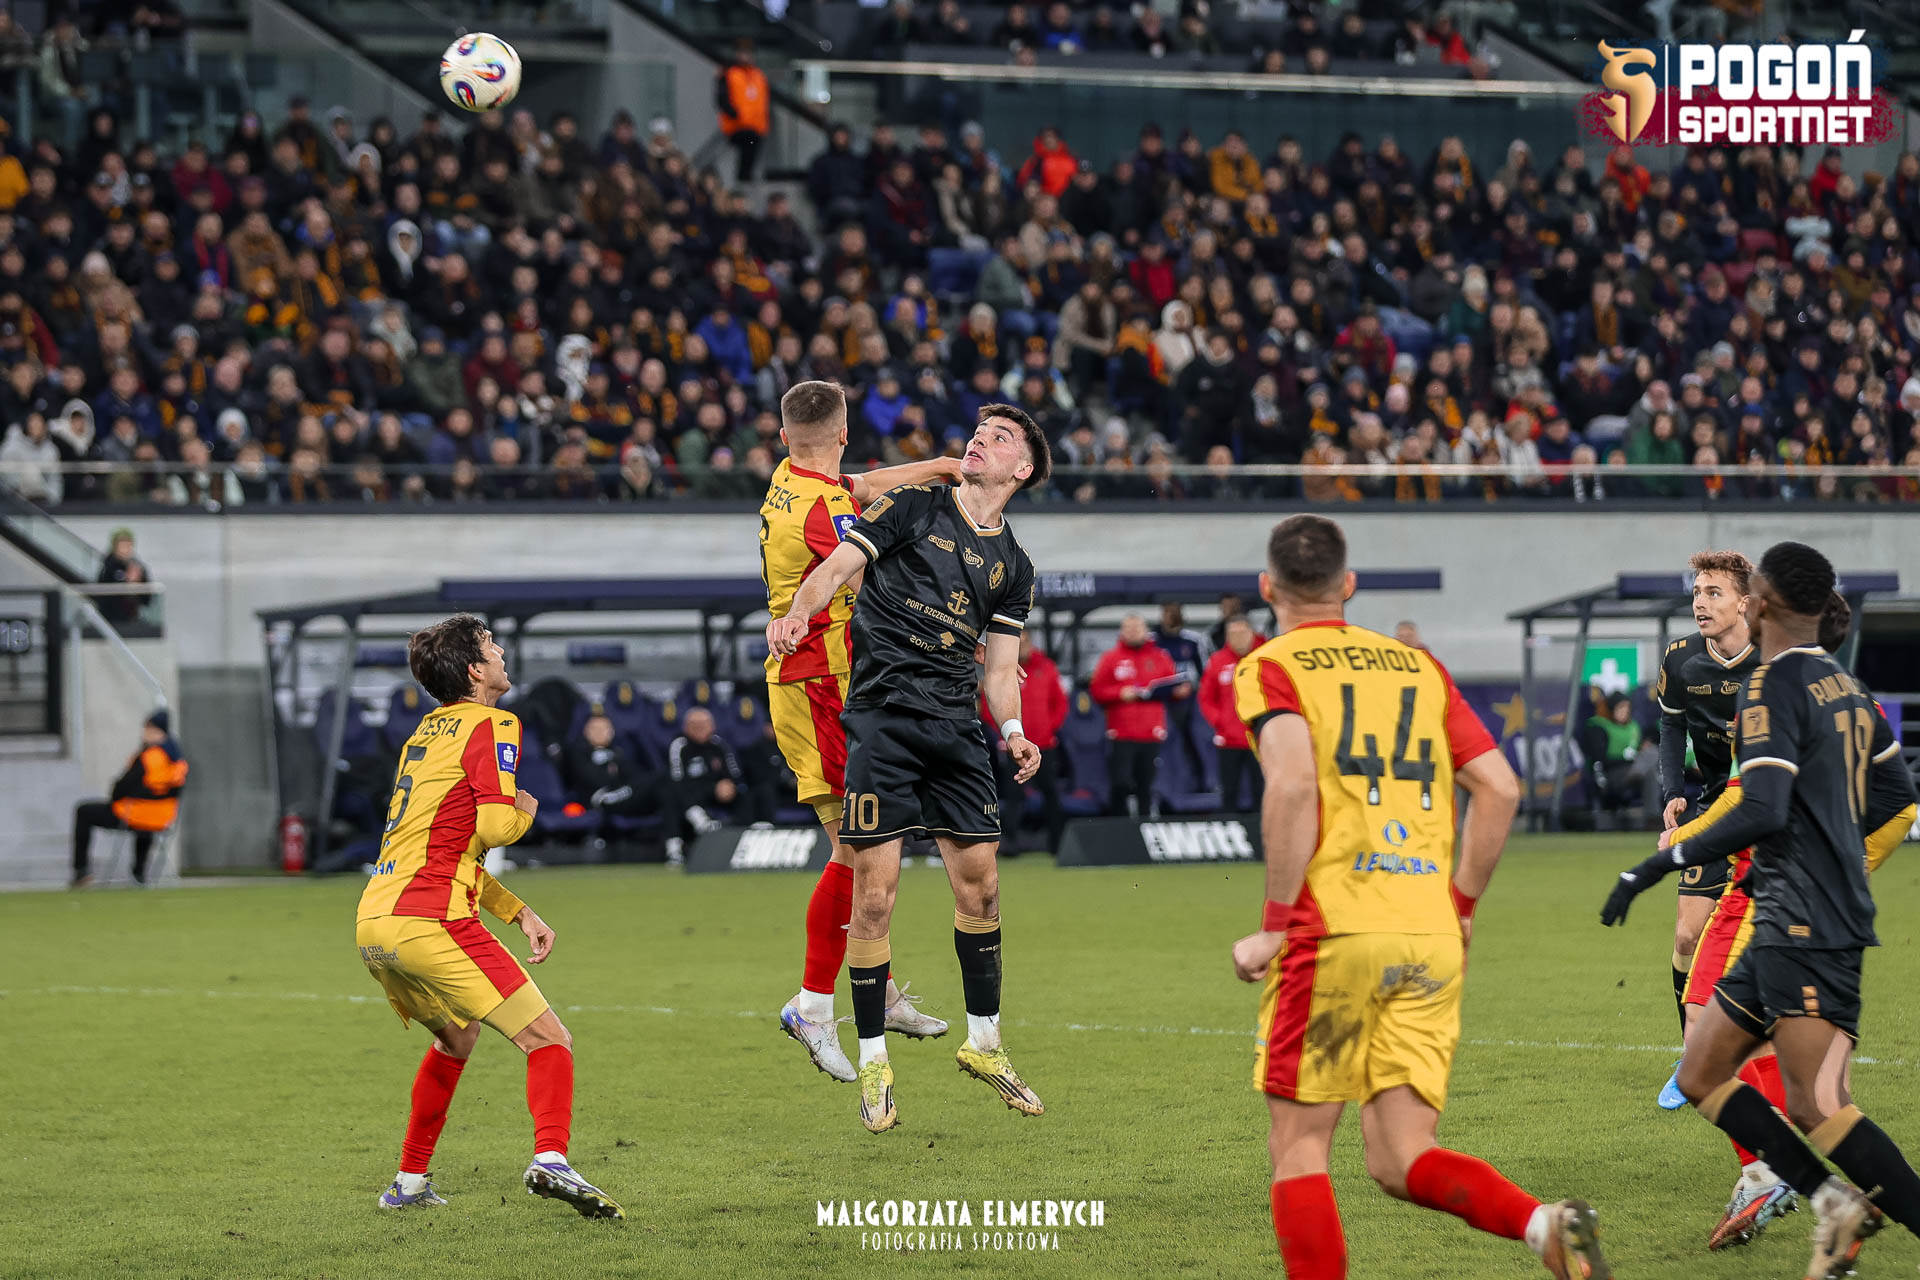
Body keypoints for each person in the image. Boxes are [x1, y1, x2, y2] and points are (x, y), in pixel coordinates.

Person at [1231, 514, 1609, 1280]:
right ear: (1348, 585)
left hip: (1335, 933)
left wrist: (1273, 925)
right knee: (1401, 1157)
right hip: (1429, 936)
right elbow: (1499, 788)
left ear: (1268, 589)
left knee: (1300, 1147)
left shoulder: (1269, 666)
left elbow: (1294, 784)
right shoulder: (1418, 667)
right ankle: (1544, 1226)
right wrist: (1460, 908)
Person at [1601, 542, 1920, 1280]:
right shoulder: (1846, 684)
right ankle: (1828, 1201)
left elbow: (1763, 806)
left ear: (1762, 602)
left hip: (1803, 919)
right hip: (1787, 911)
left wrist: (1659, 862)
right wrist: (1843, 854)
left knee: (1818, 1104)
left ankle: (1819, 1195)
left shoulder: (1772, 685)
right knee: (1702, 1071)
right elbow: (1897, 796)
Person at [765, 403, 1048, 1133]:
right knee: (875, 897)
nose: (980, 440)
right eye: (979, 431)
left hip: (956, 729)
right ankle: (874, 1063)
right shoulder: (916, 505)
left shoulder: (1015, 567)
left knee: (982, 890)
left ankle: (985, 1043)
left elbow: (1001, 669)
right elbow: (836, 567)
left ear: (1022, 470)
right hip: (884, 720)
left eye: (1000, 437)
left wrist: (1014, 731)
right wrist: (798, 613)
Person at [357, 614, 621, 1218]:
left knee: (457, 1037)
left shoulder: (424, 734)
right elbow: (497, 827)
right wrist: (527, 809)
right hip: (432, 921)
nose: (502, 652)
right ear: (477, 671)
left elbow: (444, 848)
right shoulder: (494, 722)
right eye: (491, 646)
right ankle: (551, 1159)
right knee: (549, 1039)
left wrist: (518, 911)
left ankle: (408, 1183)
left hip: (375, 922)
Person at [761, 380, 963, 1082]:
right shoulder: (824, 514)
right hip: (821, 683)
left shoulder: (792, 482)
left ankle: (883, 989)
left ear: (785, 437)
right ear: (844, 432)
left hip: (824, 683)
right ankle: (814, 1006)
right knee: (856, 848)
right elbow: (872, 588)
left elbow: (864, 484)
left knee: (871, 844)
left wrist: (938, 468)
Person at [1651, 551, 1761, 1111]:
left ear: (1745, 603)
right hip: (1715, 807)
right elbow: (1670, 726)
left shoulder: (1775, 660)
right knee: (1686, 936)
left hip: (1769, 812)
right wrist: (1673, 791)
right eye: (1697, 592)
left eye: (1714, 592)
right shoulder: (1681, 659)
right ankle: (1692, 1057)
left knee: (1763, 946)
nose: (1701, 602)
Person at [70, 709, 187, 887]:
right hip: (163, 818)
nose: (144, 733)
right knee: (146, 826)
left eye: (147, 729)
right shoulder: (178, 760)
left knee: (83, 811)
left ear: (156, 730)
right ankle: (139, 873)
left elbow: (124, 786)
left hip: (133, 814)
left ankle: (81, 870)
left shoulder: (149, 757)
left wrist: (116, 794)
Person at [979, 631, 1068, 854]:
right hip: (1014, 748)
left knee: (1051, 793)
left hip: (1044, 745)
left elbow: (1060, 703)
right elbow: (989, 704)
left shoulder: (1046, 667)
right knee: (1013, 795)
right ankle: (1010, 844)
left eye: (1025, 642)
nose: (1022, 647)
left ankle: (1057, 844)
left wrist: (1048, 729)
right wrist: (1005, 734)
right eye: (1018, 643)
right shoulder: (1003, 669)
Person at [1089, 613, 1185, 816]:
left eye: (1137, 627)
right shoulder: (1111, 658)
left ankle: (1143, 825)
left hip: (1151, 732)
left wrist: (1179, 691)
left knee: (1147, 785)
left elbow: (1173, 686)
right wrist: (1119, 693)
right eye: (1128, 628)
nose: (1132, 632)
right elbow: (1096, 691)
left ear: (1145, 630)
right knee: (1120, 783)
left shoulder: (1160, 656)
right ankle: (1119, 825)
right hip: (1121, 732)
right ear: (1122, 631)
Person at [1199, 615, 1263, 810]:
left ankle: (1263, 826)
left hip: (1260, 739)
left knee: (1262, 789)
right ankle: (1229, 824)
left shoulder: (1266, 656)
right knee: (1229, 789)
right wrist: (1220, 721)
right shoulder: (1218, 661)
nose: (1238, 638)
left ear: (1252, 633)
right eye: (1233, 634)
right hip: (1229, 738)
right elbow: (1206, 697)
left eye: (1242, 633)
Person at [665, 707, 745, 861]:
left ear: (712, 726)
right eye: (695, 725)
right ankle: (675, 849)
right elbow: (677, 779)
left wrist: (730, 786)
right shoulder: (680, 745)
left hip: (718, 793)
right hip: (692, 795)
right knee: (669, 794)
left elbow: (735, 773)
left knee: (750, 791)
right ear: (686, 727)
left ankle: (747, 833)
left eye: (704, 724)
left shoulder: (719, 745)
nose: (700, 728)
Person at [1153, 601, 1208, 780]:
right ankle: (1162, 782)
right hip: (1159, 701)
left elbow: (1204, 673)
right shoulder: (1151, 641)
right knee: (1162, 742)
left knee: (1192, 740)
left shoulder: (1193, 640)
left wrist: (1192, 686)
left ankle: (1198, 780)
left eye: (1175, 612)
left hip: (1187, 702)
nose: (1171, 616)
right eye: (1167, 612)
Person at [715, 39, 770, 185]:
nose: (746, 56)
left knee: (752, 150)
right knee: (747, 147)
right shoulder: (729, 73)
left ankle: (746, 177)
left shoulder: (758, 75)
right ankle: (743, 178)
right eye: (743, 53)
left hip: (756, 125)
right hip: (737, 125)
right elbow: (722, 98)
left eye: (748, 53)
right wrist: (734, 114)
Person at [96, 526, 150, 626]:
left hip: (132, 618)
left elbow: (147, 598)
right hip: (111, 619)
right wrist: (127, 582)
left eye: (128, 545)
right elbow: (103, 594)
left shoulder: (137, 566)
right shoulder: (108, 566)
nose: (125, 549)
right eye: (121, 546)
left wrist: (137, 582)